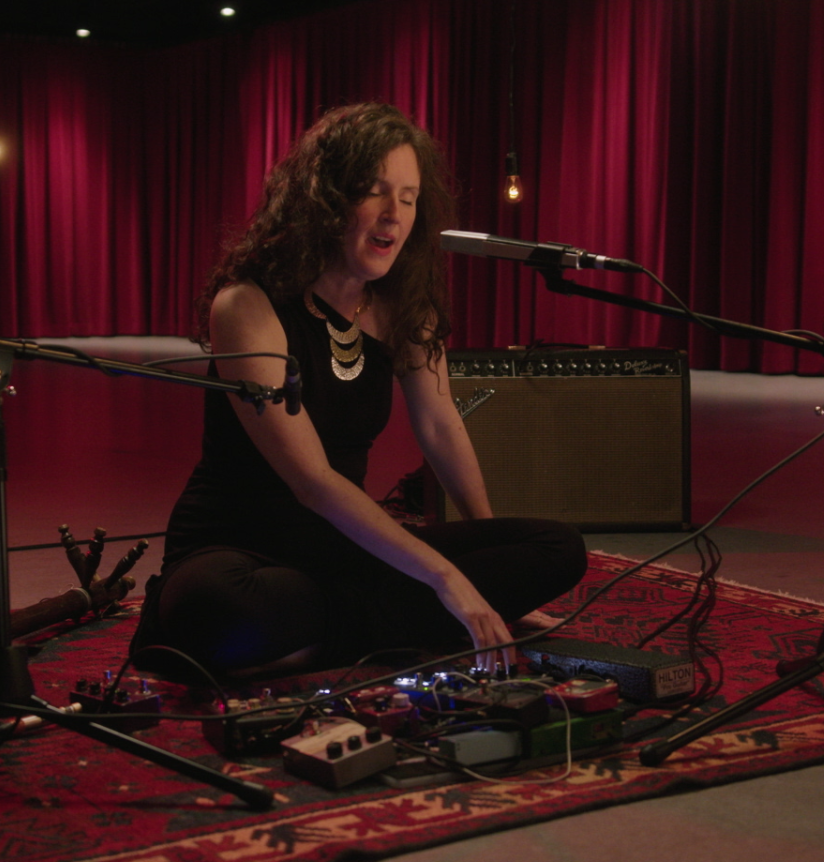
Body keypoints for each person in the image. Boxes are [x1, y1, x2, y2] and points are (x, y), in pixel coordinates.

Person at [131, 102, 586, 680]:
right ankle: (402, 633)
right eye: (374, 191)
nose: (394, 215)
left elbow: (442, 427)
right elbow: (313, 482)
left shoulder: (402, 309)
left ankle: (319, 649)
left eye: (409, 196)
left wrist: (484, 554)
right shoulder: (248, 305)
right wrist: (447, 577)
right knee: (220, 609)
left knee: (558, 548)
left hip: (344, 550)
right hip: (241, 551)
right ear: (325, 198)